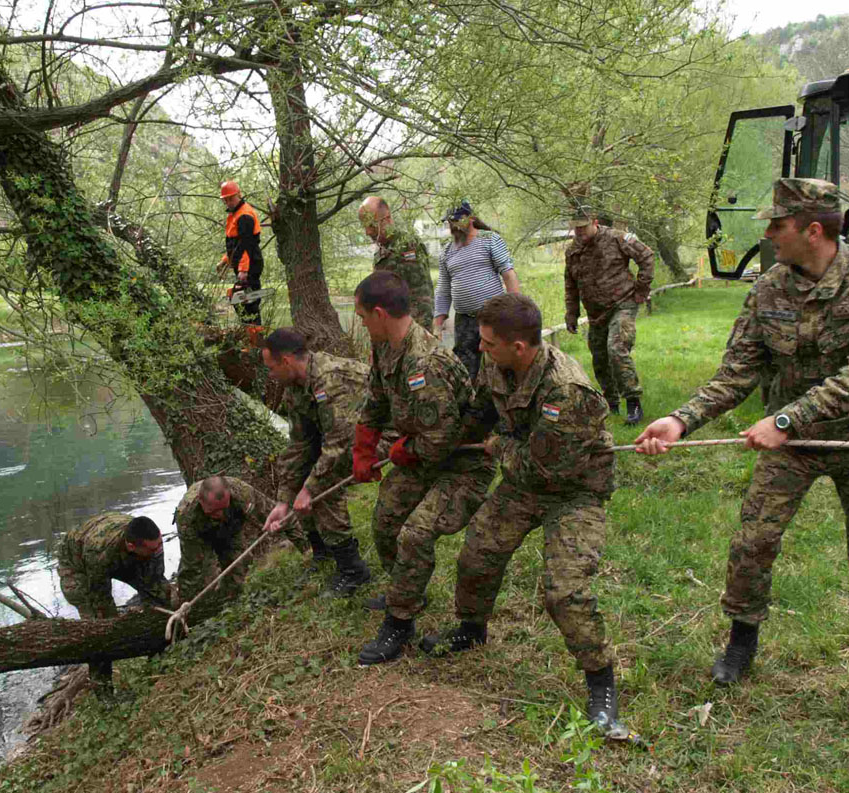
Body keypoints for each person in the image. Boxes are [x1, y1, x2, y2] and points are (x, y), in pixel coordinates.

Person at [635, 177, 849, 749]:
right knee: (753, 541)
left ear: (812, 230)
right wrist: (681, 420)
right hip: (790, 446)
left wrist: (785, 419)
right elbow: (737, 371)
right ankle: (742, 642)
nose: (767, 235)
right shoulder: (767, 289)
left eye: (777, 225)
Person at [420, 294, 621, 727]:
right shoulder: (497, 361)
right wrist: (443, 443)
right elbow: (480, 410)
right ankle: (471, 630)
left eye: (488, 343)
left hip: (574, 491)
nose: (479, 347)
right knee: (477, 554)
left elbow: (545, 469)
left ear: (519, 346)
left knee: (565, 591)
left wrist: (498, 447)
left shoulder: (567, 391)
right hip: (524, 482)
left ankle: (600, 680)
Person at [351, 271, 494, 665]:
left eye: (362, 317)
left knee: (415, 533)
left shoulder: (425, 362)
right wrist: (364, 444)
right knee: (385, 519)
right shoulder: (384, 346)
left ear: (379, 314)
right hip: (423, 453)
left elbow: (442, 439)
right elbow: (376, 397)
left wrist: (404, 450)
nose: (361, 325)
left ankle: (399, 624)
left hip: (462, 464)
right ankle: (406, 588)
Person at [261, 327, 374, 596]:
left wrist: (309, 489)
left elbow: (339, 446)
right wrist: (284, 500)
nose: (270, 375)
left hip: (384, 433)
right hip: (348, 437)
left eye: (271, 368)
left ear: (286, 361)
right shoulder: (294, 388)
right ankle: (322, 551)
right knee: (304, 476)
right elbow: (300, 445)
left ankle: (352, 569)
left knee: (322, 484)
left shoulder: (329, 379)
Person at [57, 513, 172, 695]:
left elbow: (155, 579)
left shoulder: (152, 542)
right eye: (153, 548)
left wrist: (156, 601)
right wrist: (115, 630)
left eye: (159, 544)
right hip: (77, 565)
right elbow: (100, 599)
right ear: (132, 546)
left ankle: (158, 659)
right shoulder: (98, 551)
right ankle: (103, 689)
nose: (158, 550)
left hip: (122, 554)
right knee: (99, 628)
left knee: (161, 596)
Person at [564, 201, 654, 425]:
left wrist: (641, 290)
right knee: (599, 357)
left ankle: (633, 402)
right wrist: (572, 313)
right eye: (576, 228)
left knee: (616, 348)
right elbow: (571, 284)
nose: (579, 232)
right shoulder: (573, 250)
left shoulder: (616, 238)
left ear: (594, 222)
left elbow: (646, 256)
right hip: (596, 313)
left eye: (583, 227)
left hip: (622, 304)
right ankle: (610, 403)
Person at [174, 475, 309, 618]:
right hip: (200, 536)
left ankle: (232, 608)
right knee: (201, 579)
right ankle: (190, 615)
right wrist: (189, 602)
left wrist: (308, 550)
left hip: (230, 530)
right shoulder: (186, 516)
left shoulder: (242, 493)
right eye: (213, 511)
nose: (220, 514)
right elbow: (193, 566)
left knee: (238, 568)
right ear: (201, 501)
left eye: (223, 508)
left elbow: (283, 518)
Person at [433, 200, 521, 380]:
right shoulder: (447, 251)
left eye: (457, 220)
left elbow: (508, 275)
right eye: (451, 222)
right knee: (466, 371)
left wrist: (515, 311)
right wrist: (437, 325)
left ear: (471, 218)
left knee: (498, 366)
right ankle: (471, 398)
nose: (454, 226)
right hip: (464, 322)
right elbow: (443, 289)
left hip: (493, 317)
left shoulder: (489, 239)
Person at [358, 196, 435, 331]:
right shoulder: (380, 252)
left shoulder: (408, 245)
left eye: (372, 225)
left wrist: (416, 333)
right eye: (365, 226)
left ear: (387, 218)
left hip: (411, 330)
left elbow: (422, 297)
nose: (367, 232)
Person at [216, 180, 264, 324]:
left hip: (250, 264)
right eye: (226, 200)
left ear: (239, 195)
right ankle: (248, 331)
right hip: (244, 264)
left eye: (231, 199)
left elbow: (246, 246)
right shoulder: (235, 214)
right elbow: (235, 245)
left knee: (248, 303)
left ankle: (255, 335)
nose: (228, 202)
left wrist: (244, 270)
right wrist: (225, 261)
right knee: (239, 299)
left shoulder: (244, 216)